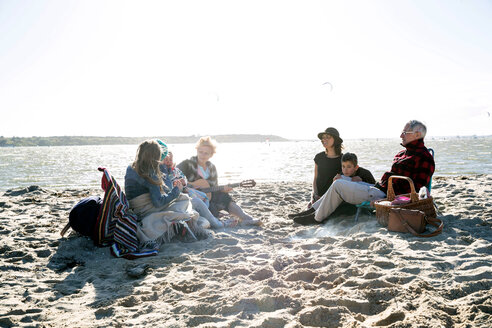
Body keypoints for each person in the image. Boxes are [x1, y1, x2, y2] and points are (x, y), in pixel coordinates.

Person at [291, 120, 435, 225]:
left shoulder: (423, 158)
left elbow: (417, 190)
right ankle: (311, 211)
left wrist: (387, 201)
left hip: (387, 196)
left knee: (339, 185)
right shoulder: (402, 153)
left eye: (404, 132)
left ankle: (316, 218)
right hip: (379, 188)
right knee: (340, 179)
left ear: (417, 134)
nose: (401, 135)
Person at [124, 140, 205, 245]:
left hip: (135, 208)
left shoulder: (131, 167)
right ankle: (182, 228)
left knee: (181, 200)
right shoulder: (150, 171)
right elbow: (158, 202)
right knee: (183, 200)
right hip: (145, 209)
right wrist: (177, 190)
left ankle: (184, 227)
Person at [177, 136, 261, 226]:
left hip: (207, 197)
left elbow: (213, 188)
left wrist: (223, 189)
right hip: (191, 198)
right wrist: (188, 185)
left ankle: (246, 218)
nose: (202, 155)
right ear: (197, 150)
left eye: (206, 153)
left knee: (224, 196)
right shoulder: (187, 164)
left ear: (211, 155)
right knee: (211, 209)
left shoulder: (211, 168)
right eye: (200, 152)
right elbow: (174, 174)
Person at [160, 149, 238, 229]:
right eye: (166, 160)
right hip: (176, 200)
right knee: (197, 200)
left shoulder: (175, 171)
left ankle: (210, 216)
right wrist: (179, 188)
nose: (169, 162)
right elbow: (168, 189)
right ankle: (218, 223)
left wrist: (185, 183)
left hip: (183, 195)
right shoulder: (163, 173)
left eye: (170, 160)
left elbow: (184, 179)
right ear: (160, 161)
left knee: (203, 197)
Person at [309, 127, 344, 208]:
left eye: (327, 137)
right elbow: (315, 178)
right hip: (318, 195)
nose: (324, 139)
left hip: (332, 197)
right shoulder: (319, 157)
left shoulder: (343, 159)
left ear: (335, 140)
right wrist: (314, 194)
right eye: (323, 137)